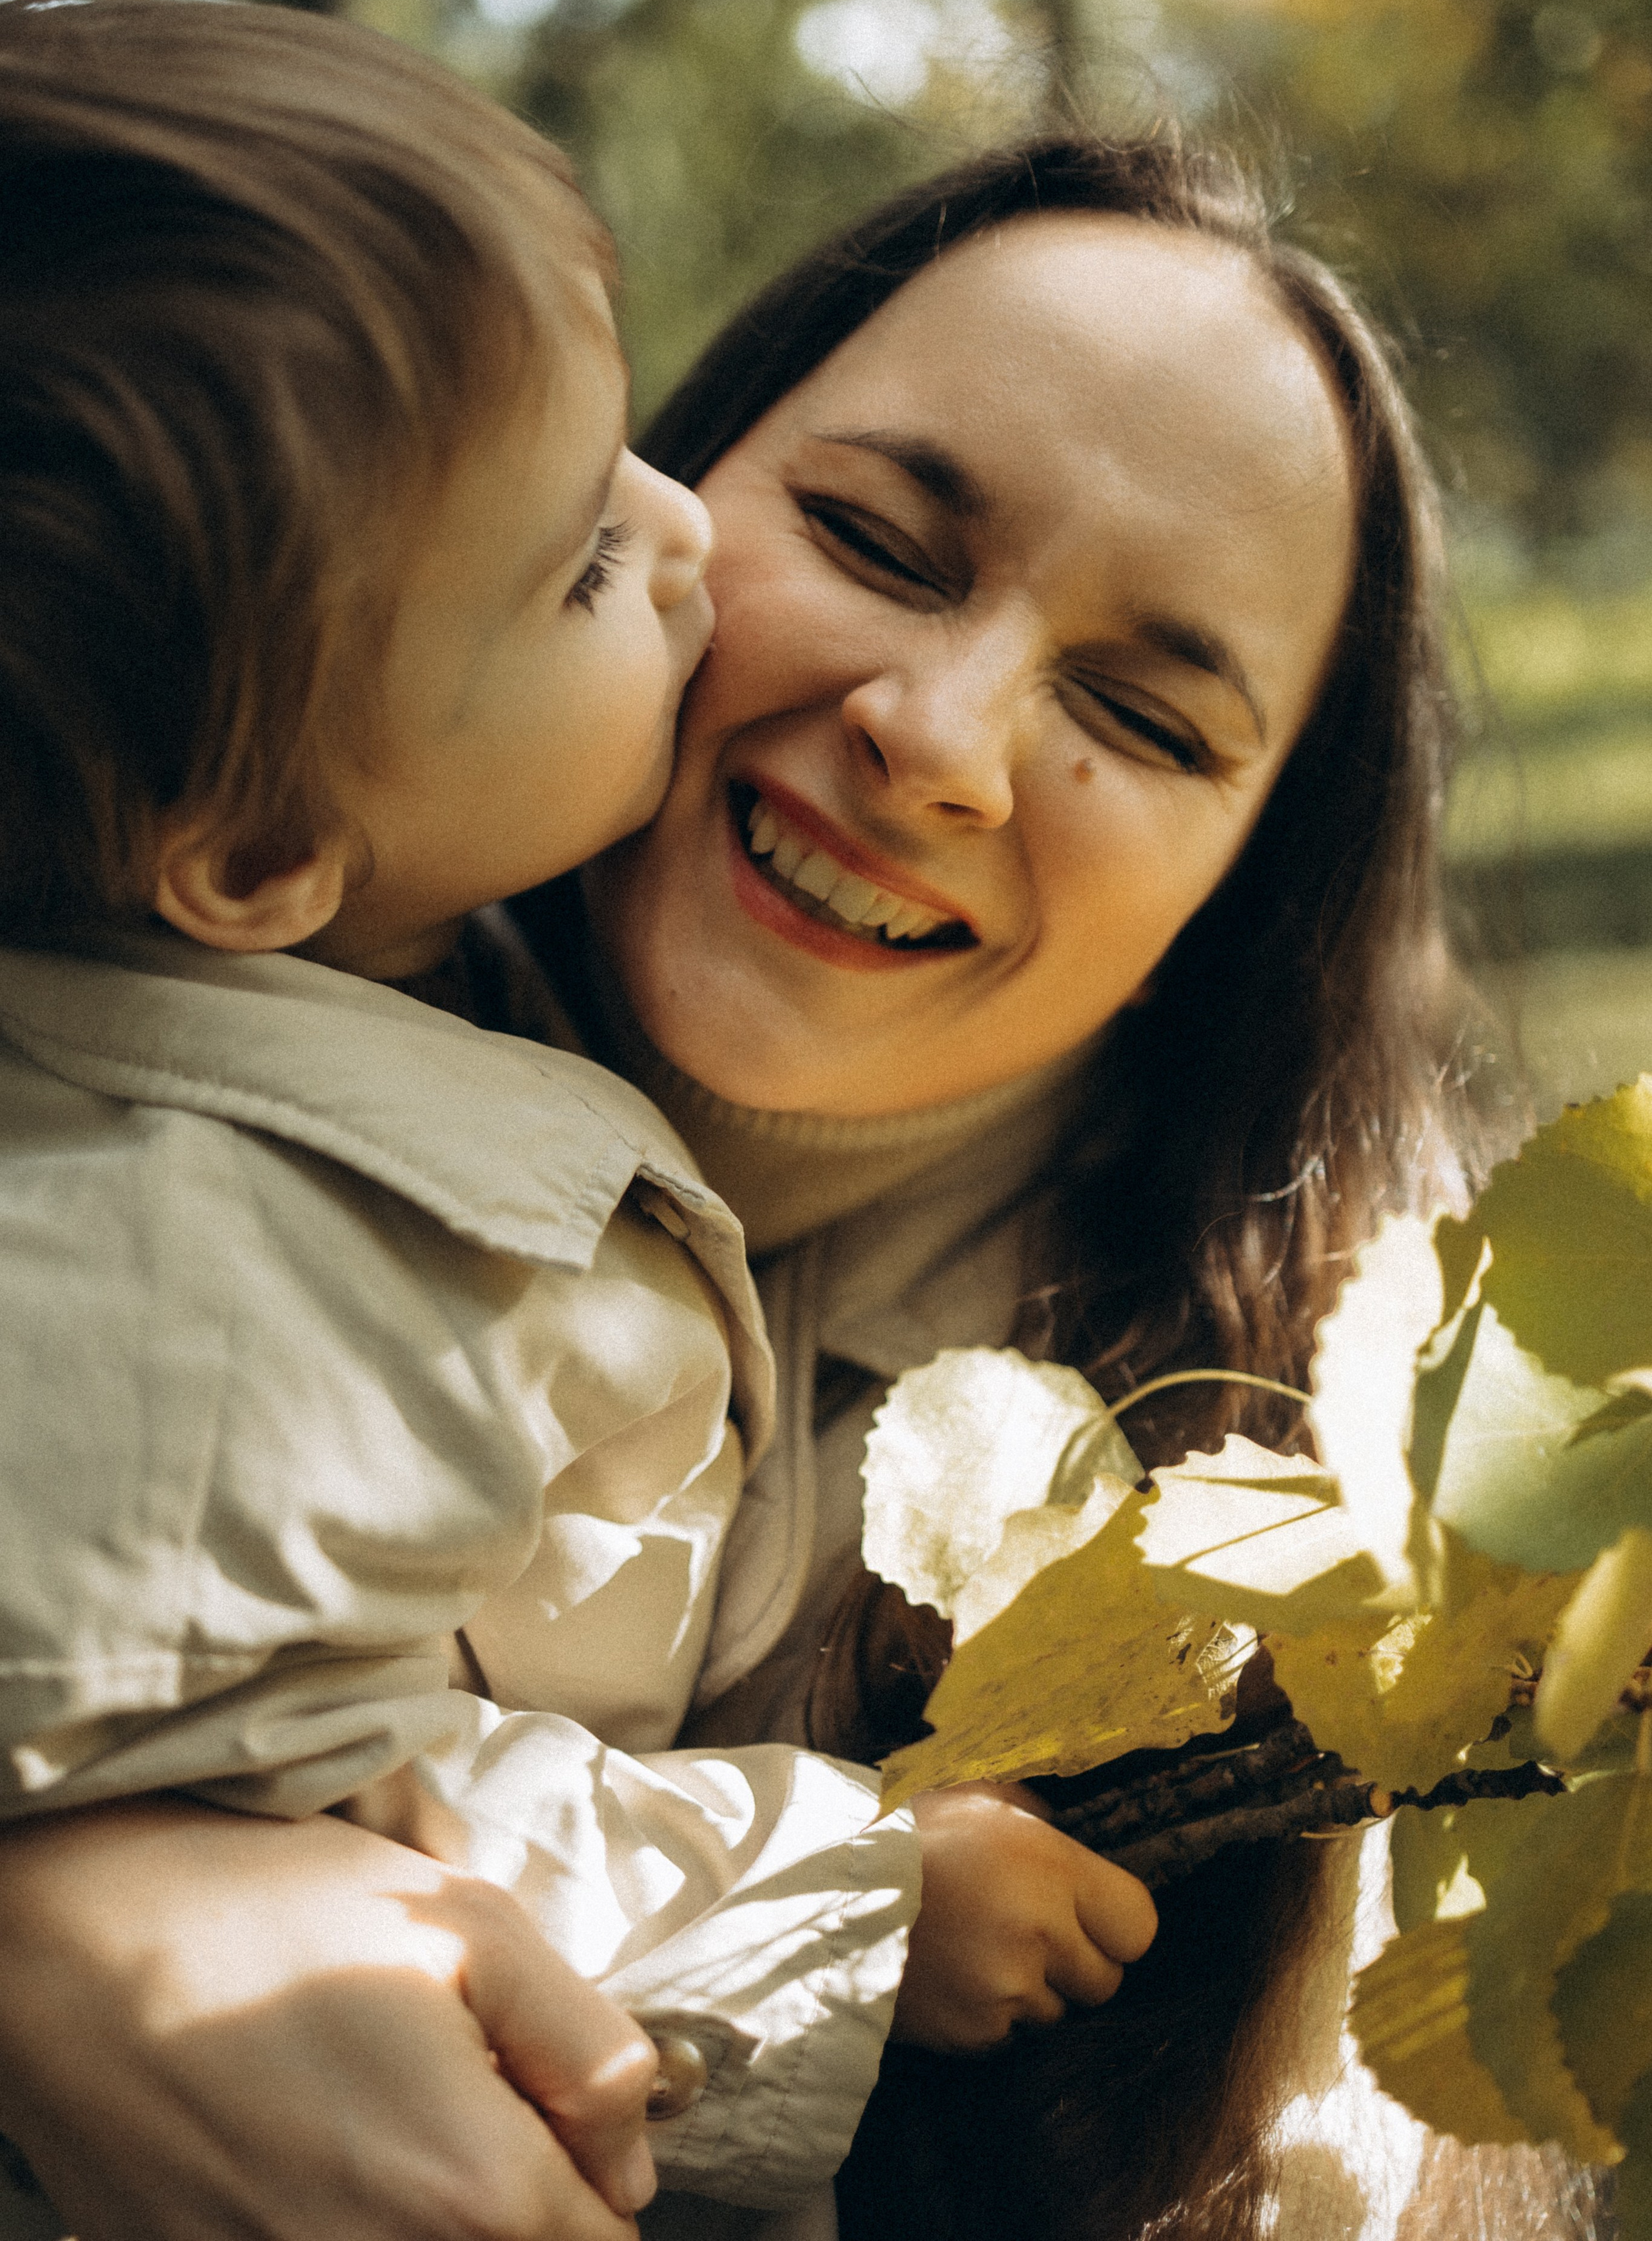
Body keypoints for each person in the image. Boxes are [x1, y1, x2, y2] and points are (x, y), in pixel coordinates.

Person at [0, 117, 1520, 2241]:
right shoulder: (110, 1053)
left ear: (1252, 890)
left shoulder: (1336, 1564)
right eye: (877, 538)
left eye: (1146, 718)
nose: (943, 738)